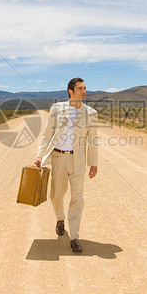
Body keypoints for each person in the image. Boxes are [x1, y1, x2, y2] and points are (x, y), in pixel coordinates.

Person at [33, 78, 98, 253]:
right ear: (70, 91)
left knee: (77, 198)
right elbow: (47, 134)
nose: (84, 91)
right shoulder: (57, 109)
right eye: (80, 88)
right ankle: (60, 218)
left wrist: (93, 164)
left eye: (85, 88)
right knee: (56, 194)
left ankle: (74, 237)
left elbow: (93, 141)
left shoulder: (91, 113)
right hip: (58, 157)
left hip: (78, 161)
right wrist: (40, 155)